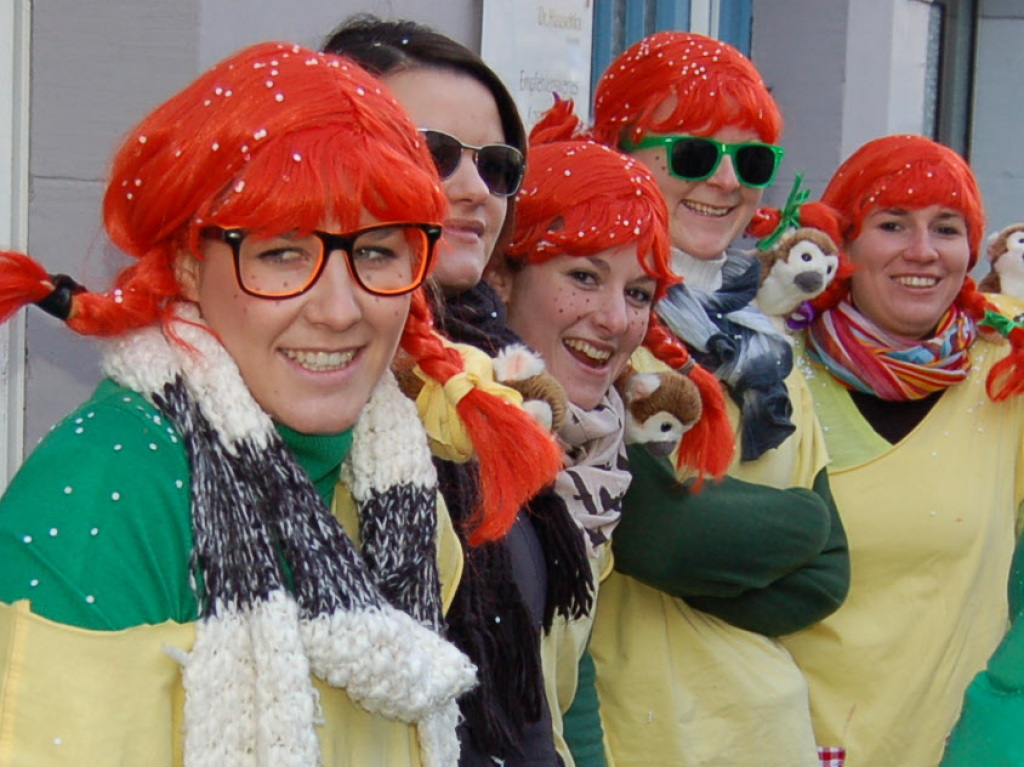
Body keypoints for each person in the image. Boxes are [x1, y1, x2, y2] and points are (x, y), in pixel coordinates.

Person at [0, 40, 562, 767]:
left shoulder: (395, 468)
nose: (338, 309)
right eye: (282, 253)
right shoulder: (99, 507)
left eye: (377, 251)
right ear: (186, 265)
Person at [582, 31, 850, 767]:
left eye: (752, 159)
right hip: (632, 732)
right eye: (695, 154)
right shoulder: (594, 327)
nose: (727, 181)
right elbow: (657, 533)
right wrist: (790, 527)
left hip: (769, 731)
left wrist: (713, 542)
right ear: (619, 154)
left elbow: (831, 571)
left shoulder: (765, 348)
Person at [320, 16, 577, 766]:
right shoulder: (314, 383)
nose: (473, 188)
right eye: (433, 153)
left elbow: (541, 687)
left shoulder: (496, 373)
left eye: (497, 165)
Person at [487, 99, 734, 767]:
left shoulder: (596, 444)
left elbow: (568, 682)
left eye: (639, 292)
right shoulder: (459, 438)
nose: (615, 319)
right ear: (502, 276)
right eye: (584, 276)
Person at [779, 133, 1024, 767]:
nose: (923, 252)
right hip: (785, 743)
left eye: (946, 228)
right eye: (892, 224)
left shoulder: (1008, 369)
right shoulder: (772, 366)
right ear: (845, 244)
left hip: (957, 748)